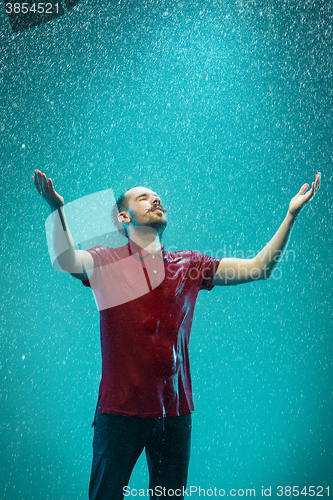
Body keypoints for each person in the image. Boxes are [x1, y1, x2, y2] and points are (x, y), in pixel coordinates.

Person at [33, 169, 321, 500]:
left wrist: (291, 215)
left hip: (174, 415)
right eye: (143, 197)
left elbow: (260, 267)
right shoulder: (107, 260)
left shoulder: (190, 264)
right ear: (123, 217)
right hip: (120, 412)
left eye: (156, 196)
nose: (155, 199)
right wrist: (56, 210)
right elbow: (68, 259)